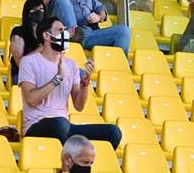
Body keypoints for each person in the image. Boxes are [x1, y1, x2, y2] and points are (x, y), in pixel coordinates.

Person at [19, 15, 122, 146]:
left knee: (113, 132)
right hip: (37, 124)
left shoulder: (71, 65)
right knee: (60, 124)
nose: (65, 34)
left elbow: (79, 106)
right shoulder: (29, 62)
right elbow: (31, 99)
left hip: (65, 126)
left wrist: (84, 86)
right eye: (61, 30)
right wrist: (57, 79)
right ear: (47, 36)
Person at [10, 0, 46, 83]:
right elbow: (20, 63)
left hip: (44, 74)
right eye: (35, 9)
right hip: (23, 76)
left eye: (41, 9)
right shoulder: (18, 32)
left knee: (78, 73)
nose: (39, 11)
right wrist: (40, 49)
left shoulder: (46, 33)